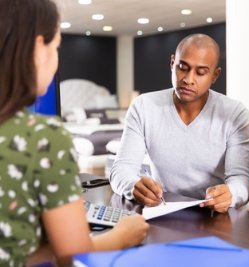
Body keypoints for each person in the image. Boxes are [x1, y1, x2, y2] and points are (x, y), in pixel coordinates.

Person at [0, 1, 149, 266]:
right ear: (37, 50)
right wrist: (124, 234)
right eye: (56, 46)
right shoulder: (44, 138)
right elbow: (74, 253)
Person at [110, 33, 249, 213]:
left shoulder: (235, 113)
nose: (188, 79)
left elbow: (242, 178)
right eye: (182, 67)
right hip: (163, 211)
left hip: (215, 216)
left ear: (215, 75)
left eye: (201, 72)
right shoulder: (143, 107)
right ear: (172, 63)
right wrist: (133, 186)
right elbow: (121, 169)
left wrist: (231, 193)